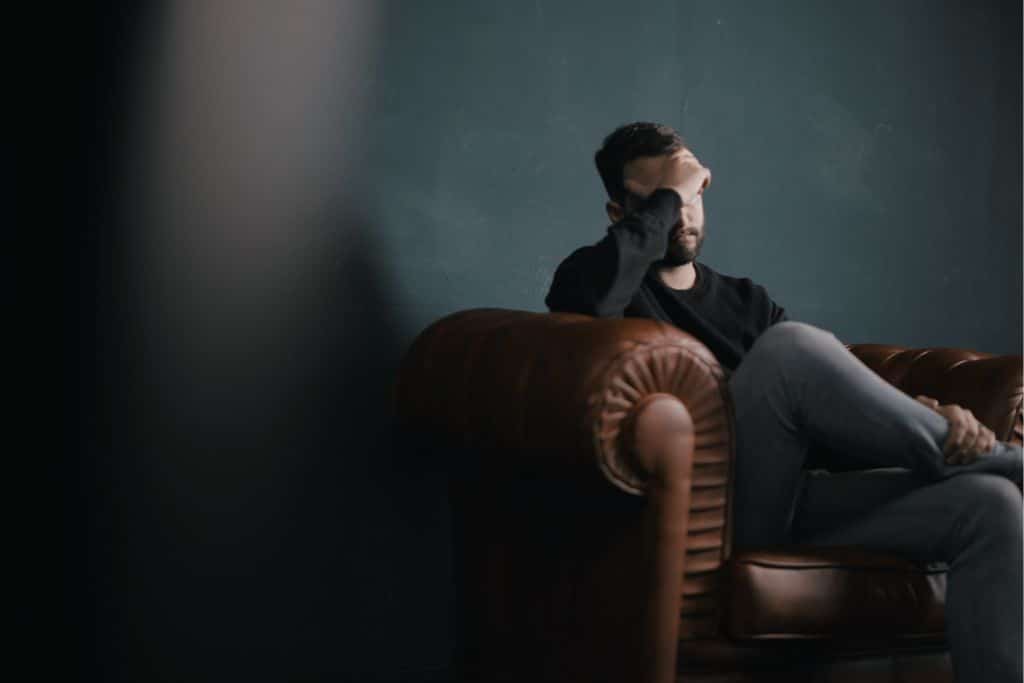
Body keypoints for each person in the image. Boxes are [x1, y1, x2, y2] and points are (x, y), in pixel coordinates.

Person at [545, 121, 1023, 682]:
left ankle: (981, 463)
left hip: (791, 503)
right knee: (789, 349)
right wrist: (672, 193)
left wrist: (924, 413)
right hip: (712, 516)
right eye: (663, 198)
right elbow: (583, 306)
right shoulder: (596, 280)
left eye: (692, 192)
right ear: (619, 214)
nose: (682, 213)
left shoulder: (748, 301)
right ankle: (1002, 460)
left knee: (991, 504)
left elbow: (824, 420)